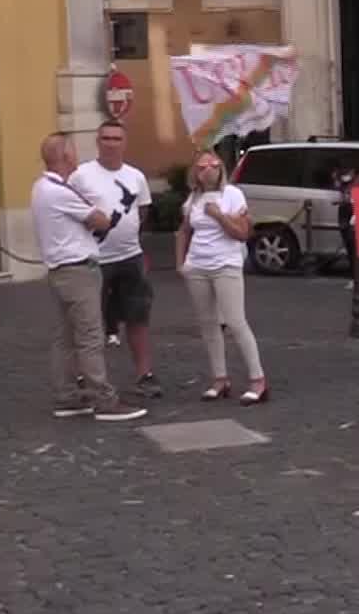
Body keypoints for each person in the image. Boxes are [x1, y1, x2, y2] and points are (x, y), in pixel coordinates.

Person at [31, 133, 147, 423]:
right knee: (90, 336)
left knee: (65, 336)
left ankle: (67, 396)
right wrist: (102, 211)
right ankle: (104, 400)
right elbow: (100, 220)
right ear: (66, 156)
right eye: (73, 150)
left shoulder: (42, 187)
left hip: (61, 270)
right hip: (77, 270)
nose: (77, 156)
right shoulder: (59, 191)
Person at [72, 119, 159, 398]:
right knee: (89, 321)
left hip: (130, 257)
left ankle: (145, 375)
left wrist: (128, 234)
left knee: (138, 317)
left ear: (125, 143)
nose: (111, 143)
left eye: (116, 139)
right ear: (97, 142)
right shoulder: (81, 176)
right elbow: (70, 212)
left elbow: (142, 212)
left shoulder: (136, 177)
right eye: (106, 138)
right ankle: (87, 378)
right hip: (94, 259)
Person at [177, 150, 267, 405]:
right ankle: (220, 378)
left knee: (236, 321)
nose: (208, 170)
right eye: (202, 166)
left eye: (213, 165)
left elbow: (242, 233)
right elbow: (184, 231)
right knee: (208, 325)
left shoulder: (232, 195)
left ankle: (258, 379)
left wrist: (218, 215)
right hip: (198, 265)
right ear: (195, 172)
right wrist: (181, 263)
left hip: (226, 263)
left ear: (221, 169)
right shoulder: (193, 198)